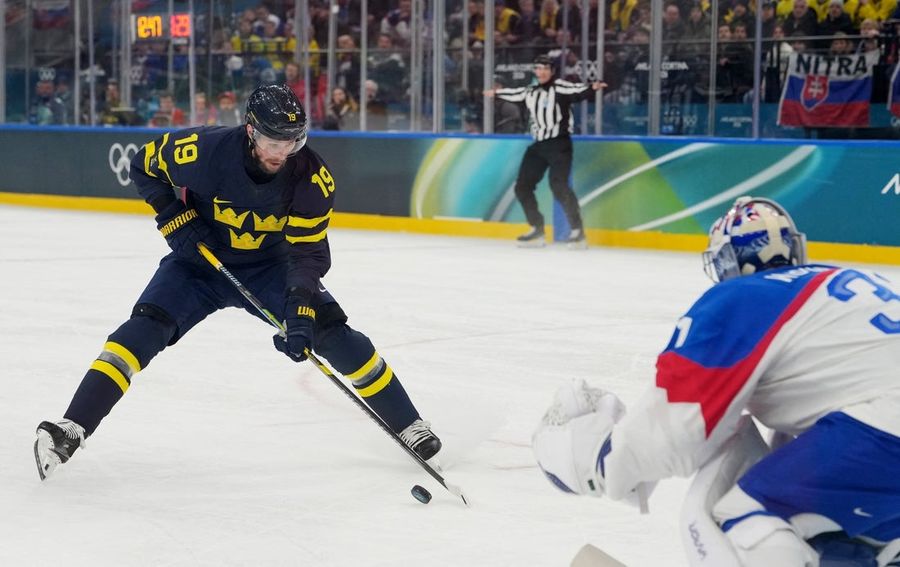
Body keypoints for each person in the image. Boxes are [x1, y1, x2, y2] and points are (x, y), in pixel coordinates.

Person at [33, 84, 442, 481]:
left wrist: (300, 307)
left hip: (271, 268)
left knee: (334, 335)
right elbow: (143, 164)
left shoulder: (312, 176)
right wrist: (174, 218)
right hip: (199, 262)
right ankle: (72, 427)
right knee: (142, 330)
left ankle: (409, 424)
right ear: (250, 131)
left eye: (293, 142)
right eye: (273, 142)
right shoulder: (203, 150)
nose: (282, 152)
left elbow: (308, 252)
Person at [532, 196, 900, 566]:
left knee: (749, 523)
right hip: (880, 429)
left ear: (727, 260)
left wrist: (602, 463)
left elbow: (681, 423)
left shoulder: (743, 297)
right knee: (839, 532)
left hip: (885, 425)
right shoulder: (846, 282)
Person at [483, 54, 606, 248]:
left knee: (559, 186)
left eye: (546, 68)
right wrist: (496, 93)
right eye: (538, 68)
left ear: (552, 71)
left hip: (559, 145)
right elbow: (515, 93)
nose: (541, 72)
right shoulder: (531, 91)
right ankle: (537, 229)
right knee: (522, 187)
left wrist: (592, 87)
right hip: (539, 145)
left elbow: (577, 90)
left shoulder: (560, 87)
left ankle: (577, 231)